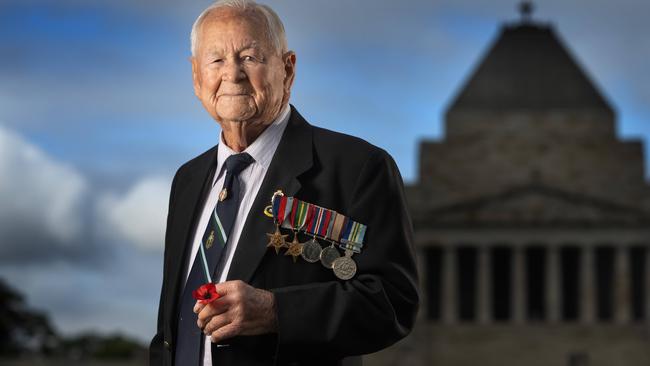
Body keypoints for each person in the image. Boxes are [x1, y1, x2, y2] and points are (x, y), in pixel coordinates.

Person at [149, 1, 419, 365]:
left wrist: (276, 311)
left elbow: (392, 303)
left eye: (249, 57)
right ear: (196, 77)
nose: (233, 74)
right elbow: (169, 330)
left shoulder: (358, 168)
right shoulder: (187, 179)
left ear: (287, 69)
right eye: (216, 60)